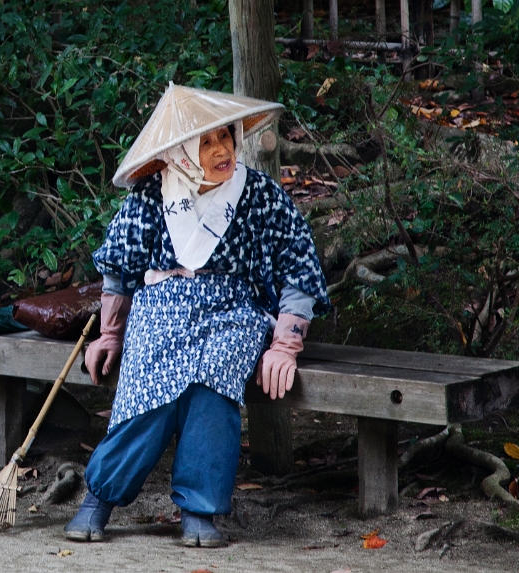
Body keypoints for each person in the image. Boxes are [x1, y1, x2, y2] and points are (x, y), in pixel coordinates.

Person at [63, 83, 330, 547]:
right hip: (160, 308)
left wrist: (286, 344)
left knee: (213, 390)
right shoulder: (150, 195)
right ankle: (99, 497)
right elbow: (119, 271)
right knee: (148, 394)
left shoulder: (260, 195)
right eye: (206, 142)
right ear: (183, 152)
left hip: (232, 312)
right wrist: (109, 335)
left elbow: (300, 268)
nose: (221, 149)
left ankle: (199, 509)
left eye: (225, 136)